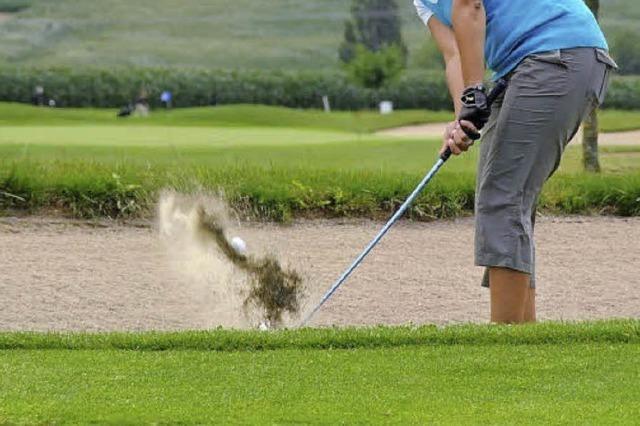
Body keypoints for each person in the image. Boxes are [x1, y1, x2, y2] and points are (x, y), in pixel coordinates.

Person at [413, 0, 617, 324]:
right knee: (503, 198)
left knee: (503, 197)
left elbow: (470, 5)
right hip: (527, 65)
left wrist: (474, 91)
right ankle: (523, 336)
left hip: (557, 52)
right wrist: (462, 118)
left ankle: (505, 340)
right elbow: (454, 54)